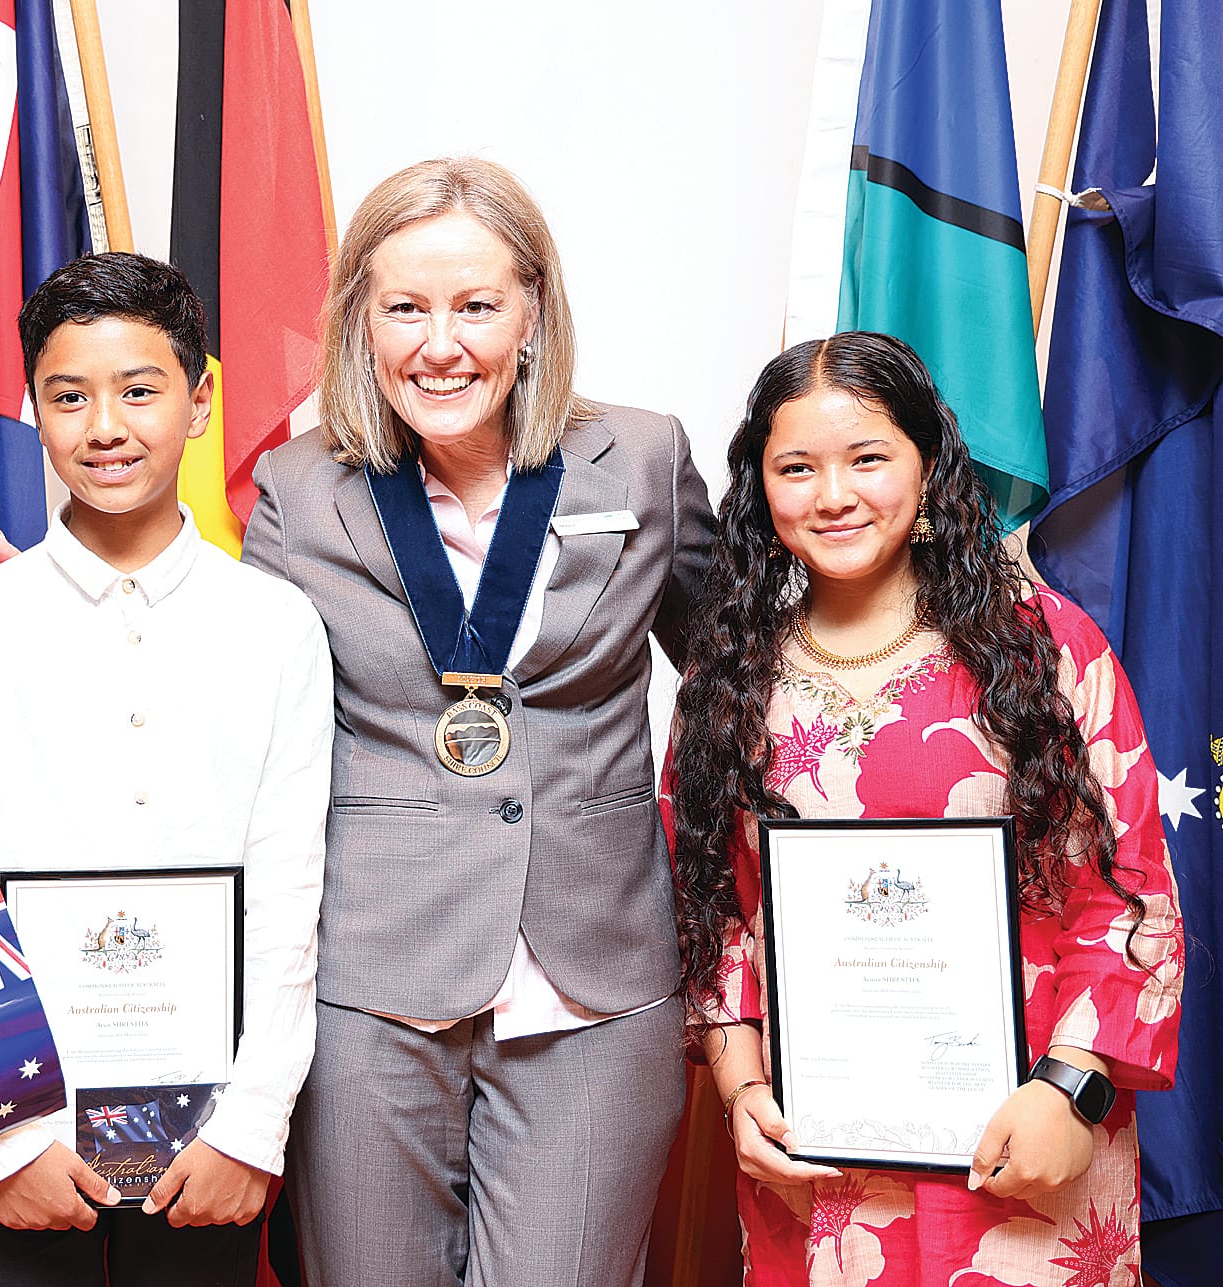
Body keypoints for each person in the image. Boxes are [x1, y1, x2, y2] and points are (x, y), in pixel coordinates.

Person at [240, 156, 717, 1287]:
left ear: (532, 311)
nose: (436, 344)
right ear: (359, 317)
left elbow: (742, 672)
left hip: (596, 975)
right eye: (402, 307)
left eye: (474, 305)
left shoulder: (642, 455)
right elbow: (236, 700)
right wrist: (33, 611)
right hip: (370, 981)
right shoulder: (296, 490)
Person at [667, 332, 1183, 1285]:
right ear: (759, 485)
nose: (833, 494)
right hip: (813, 1166)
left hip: (1027, 1143)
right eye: (796, 467)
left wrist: (1070, 1090)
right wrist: (741, 1092)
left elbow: (1130, 896)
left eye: (867, 457)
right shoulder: (727, 676)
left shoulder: (1041, 646)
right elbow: (714, 913)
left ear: (927, 462)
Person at [0, 252, 332, 1286]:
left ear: (197, 404)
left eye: (139, 391)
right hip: (24, 1125)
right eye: (69, 397)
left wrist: (250, 1128)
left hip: (211, 1137)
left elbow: (289, 892)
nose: (105, 427)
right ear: (35, 412)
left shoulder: (275, 626)